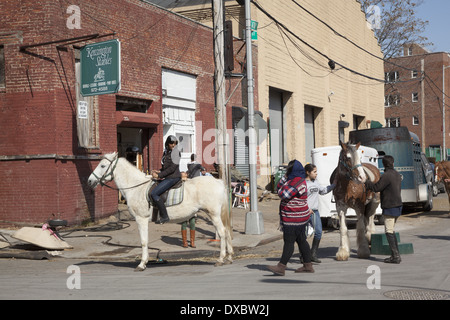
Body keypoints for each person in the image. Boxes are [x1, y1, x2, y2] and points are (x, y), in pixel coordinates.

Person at [267, 159, 314, 275]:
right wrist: (285, 177)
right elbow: (278, 187)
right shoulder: (293, 180)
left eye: (289, 169)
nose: (287, 172)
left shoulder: (298, 182)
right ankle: (308, 266)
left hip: (294, 218)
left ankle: (281, 267)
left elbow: (283, 194)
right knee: (302, 241)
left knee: (289, 242)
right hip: (298, 216)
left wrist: (283, 186)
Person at [365, 155, 403, 264]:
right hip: (398, 206)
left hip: (390, 207)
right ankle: (396, 255)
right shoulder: (397, 174)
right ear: (393, 163)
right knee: (392, 230)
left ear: (384, 164)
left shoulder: (386, 176)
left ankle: (396, 256)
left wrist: (366, 182)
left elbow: (376, 188)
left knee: (389, 231)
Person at [304, 163, 335, 263]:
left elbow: (323, 191)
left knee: (318, 232)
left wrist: (334, 185)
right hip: (305, 212)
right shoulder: (303, 184)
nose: (316, 174)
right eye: (314, 172)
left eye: (316, 171)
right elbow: (300, 198)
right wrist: (306, 208)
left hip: (315, 212)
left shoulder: (316, 182)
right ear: (308, 172)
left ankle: (313, 254)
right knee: (303, 235)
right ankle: (303, 255)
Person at [150, 135, 181, 224]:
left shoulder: (176, 153)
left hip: (173, 177)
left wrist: (159, 175)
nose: (173, 145)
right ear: (167, 143)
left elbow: (172, 168)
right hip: (167, 176)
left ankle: (164, 216)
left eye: (175, 143)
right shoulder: (166, 153)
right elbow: (165, 167)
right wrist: (158, 171)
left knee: (154, 193)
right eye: (171, 143)